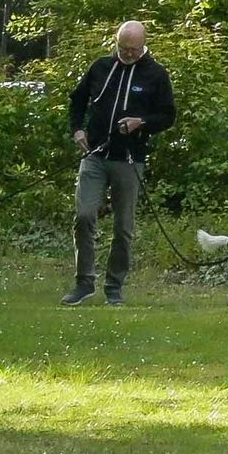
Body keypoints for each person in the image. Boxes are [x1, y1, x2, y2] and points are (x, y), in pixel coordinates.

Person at [66, 18, 179, 301]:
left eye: (133, 49)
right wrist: (77, 129)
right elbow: (77, 100)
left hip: (129, 159)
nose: (128, 54)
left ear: (143, 46)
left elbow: (168, 116)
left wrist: (141, 123)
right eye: (123, 48)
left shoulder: (156, 74)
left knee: (123, 227)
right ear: (116, 43)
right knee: (84, 215)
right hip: (94, 156)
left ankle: (114, 287)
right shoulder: (100, 67)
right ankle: (84, 282)